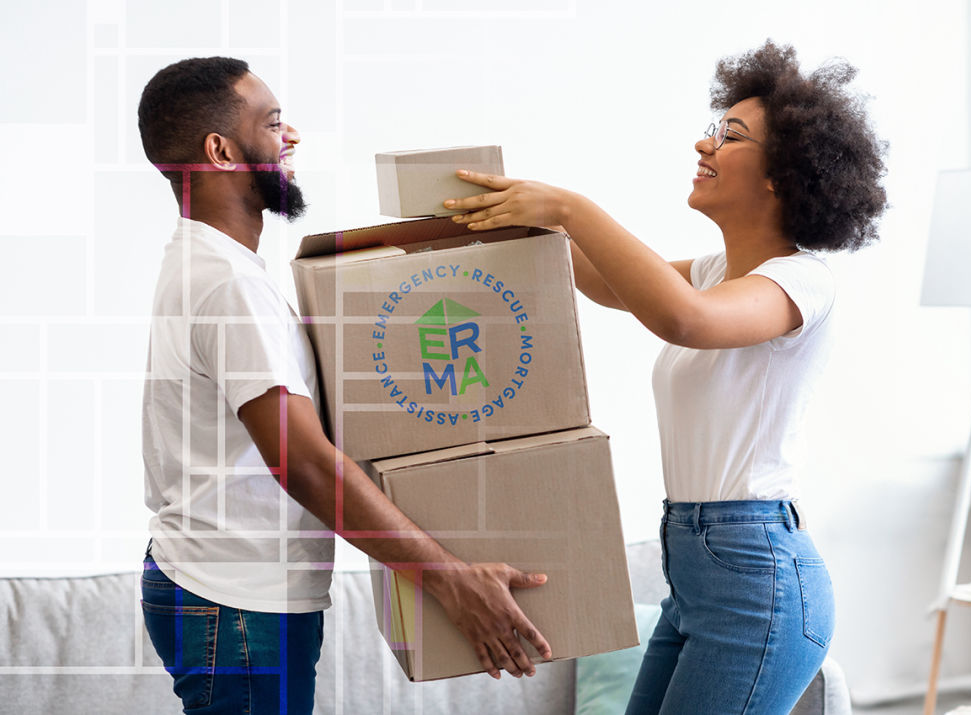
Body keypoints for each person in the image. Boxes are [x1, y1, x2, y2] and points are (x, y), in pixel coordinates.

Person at [444, 41, 887, 714]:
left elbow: (682, 320)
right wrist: (503, 221)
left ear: (782, 175)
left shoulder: (802, 283)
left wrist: (570, 208)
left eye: (729, 136)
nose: (703, 145)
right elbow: (601, 281)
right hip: (698, 570)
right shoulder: (715, 270)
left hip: (755, 575)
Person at [137, 57, 551, 714]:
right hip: (237, 600)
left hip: (229, 589)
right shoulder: (229, 283)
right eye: (272, 123)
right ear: (219, 150)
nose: (291, 135)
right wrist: (448, 579)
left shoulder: (212, 265)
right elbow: (297, 458)